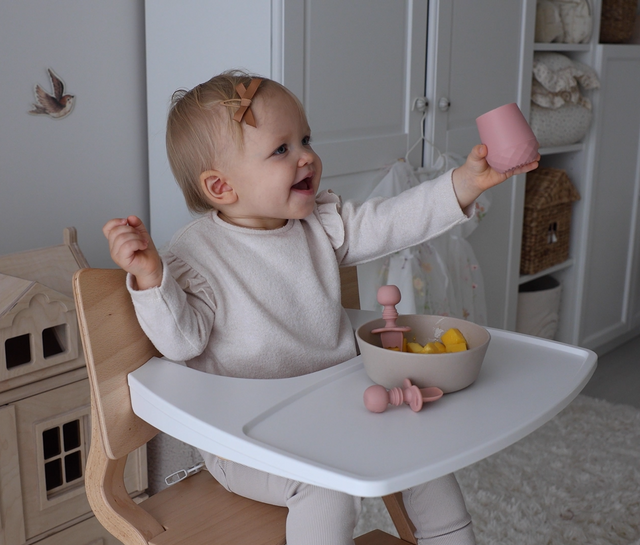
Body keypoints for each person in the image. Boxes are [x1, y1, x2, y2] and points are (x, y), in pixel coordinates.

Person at [104, 70, 539, 545]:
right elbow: (180, 342)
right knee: (324, 487)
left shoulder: (319, 225)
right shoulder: (194, 258)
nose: (307, 156)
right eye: (282, 149)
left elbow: (395, 221)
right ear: (221, 187)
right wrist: (151, 277)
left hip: (336, 408)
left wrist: (463, 184)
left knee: (423, 456)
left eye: (305, 139)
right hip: (245, 441)